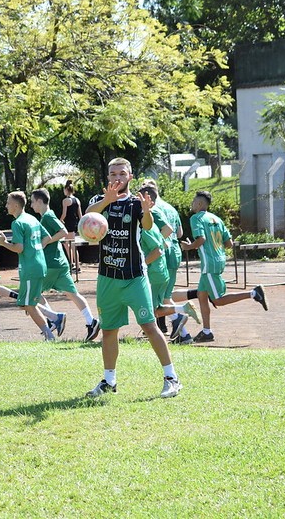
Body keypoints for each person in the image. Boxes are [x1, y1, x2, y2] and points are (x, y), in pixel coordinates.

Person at [84, 157, 183, 399]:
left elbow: (148, 226)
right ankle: (109, 381)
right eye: (113, 174)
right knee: (109, 330)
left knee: (149, 326)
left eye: (121, 173)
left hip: (134, 276)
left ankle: (171, 378)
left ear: (130, 176)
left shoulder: (135, 203)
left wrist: (147, 211)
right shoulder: (99, 201)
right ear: (108, 178)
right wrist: (107, 200)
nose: (117, 178)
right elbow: (87, 217)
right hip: (107, 277)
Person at [173, 191, 268, 343]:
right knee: (202, 296)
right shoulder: (216, 219)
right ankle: (207, 332)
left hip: (209, 264)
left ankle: (253, 293)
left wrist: (189, 246)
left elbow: (202, 239)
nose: (192, 204)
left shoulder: (196, 218)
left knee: (218, 300)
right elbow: (229, 243)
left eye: (193, 202)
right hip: (218, 259)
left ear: (199, 204)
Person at [30, 188, 100, 341]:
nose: (31, 205)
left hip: (50, 265)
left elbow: (62, 231)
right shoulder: (47, 216)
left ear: (40, 201)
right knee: (73, 294)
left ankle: (53, 320)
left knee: (31, 296)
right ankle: (91, 321)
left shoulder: (47, 216)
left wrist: (46, 241)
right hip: (60, 264)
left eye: (33, 202)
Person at [134, 187, 201, 340]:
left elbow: (168, 231)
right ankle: (183, 333)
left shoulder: (151, 216)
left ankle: (180, 313)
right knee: (162, 300)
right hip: (166, 261)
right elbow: (179, 233)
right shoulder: (167, 209)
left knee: (151, 308)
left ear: (147, 198)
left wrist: (157, 245)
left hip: (157, 265)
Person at [0, 191, 61, 340]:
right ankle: (54, 317)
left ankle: (49, 334)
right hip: (38, 265)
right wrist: (36, 250)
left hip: (30, 268)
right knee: (24, 304)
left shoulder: (17, 223)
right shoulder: (32, 219)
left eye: (8, 202)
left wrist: (3, 243)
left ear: (16, 205)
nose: (6, 205)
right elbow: (48, 237)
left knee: (29, 305)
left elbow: (19, 248)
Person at [60, 180, 83, 272]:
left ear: (66, 189)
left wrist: (59, 220)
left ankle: (75, 265)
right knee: (68, 244)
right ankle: (73, 264)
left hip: (68, 224)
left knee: (69, 244)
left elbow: (64, 214)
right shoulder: (77, 200)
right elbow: (80, 215)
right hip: (74, 224)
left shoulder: (66, 200)